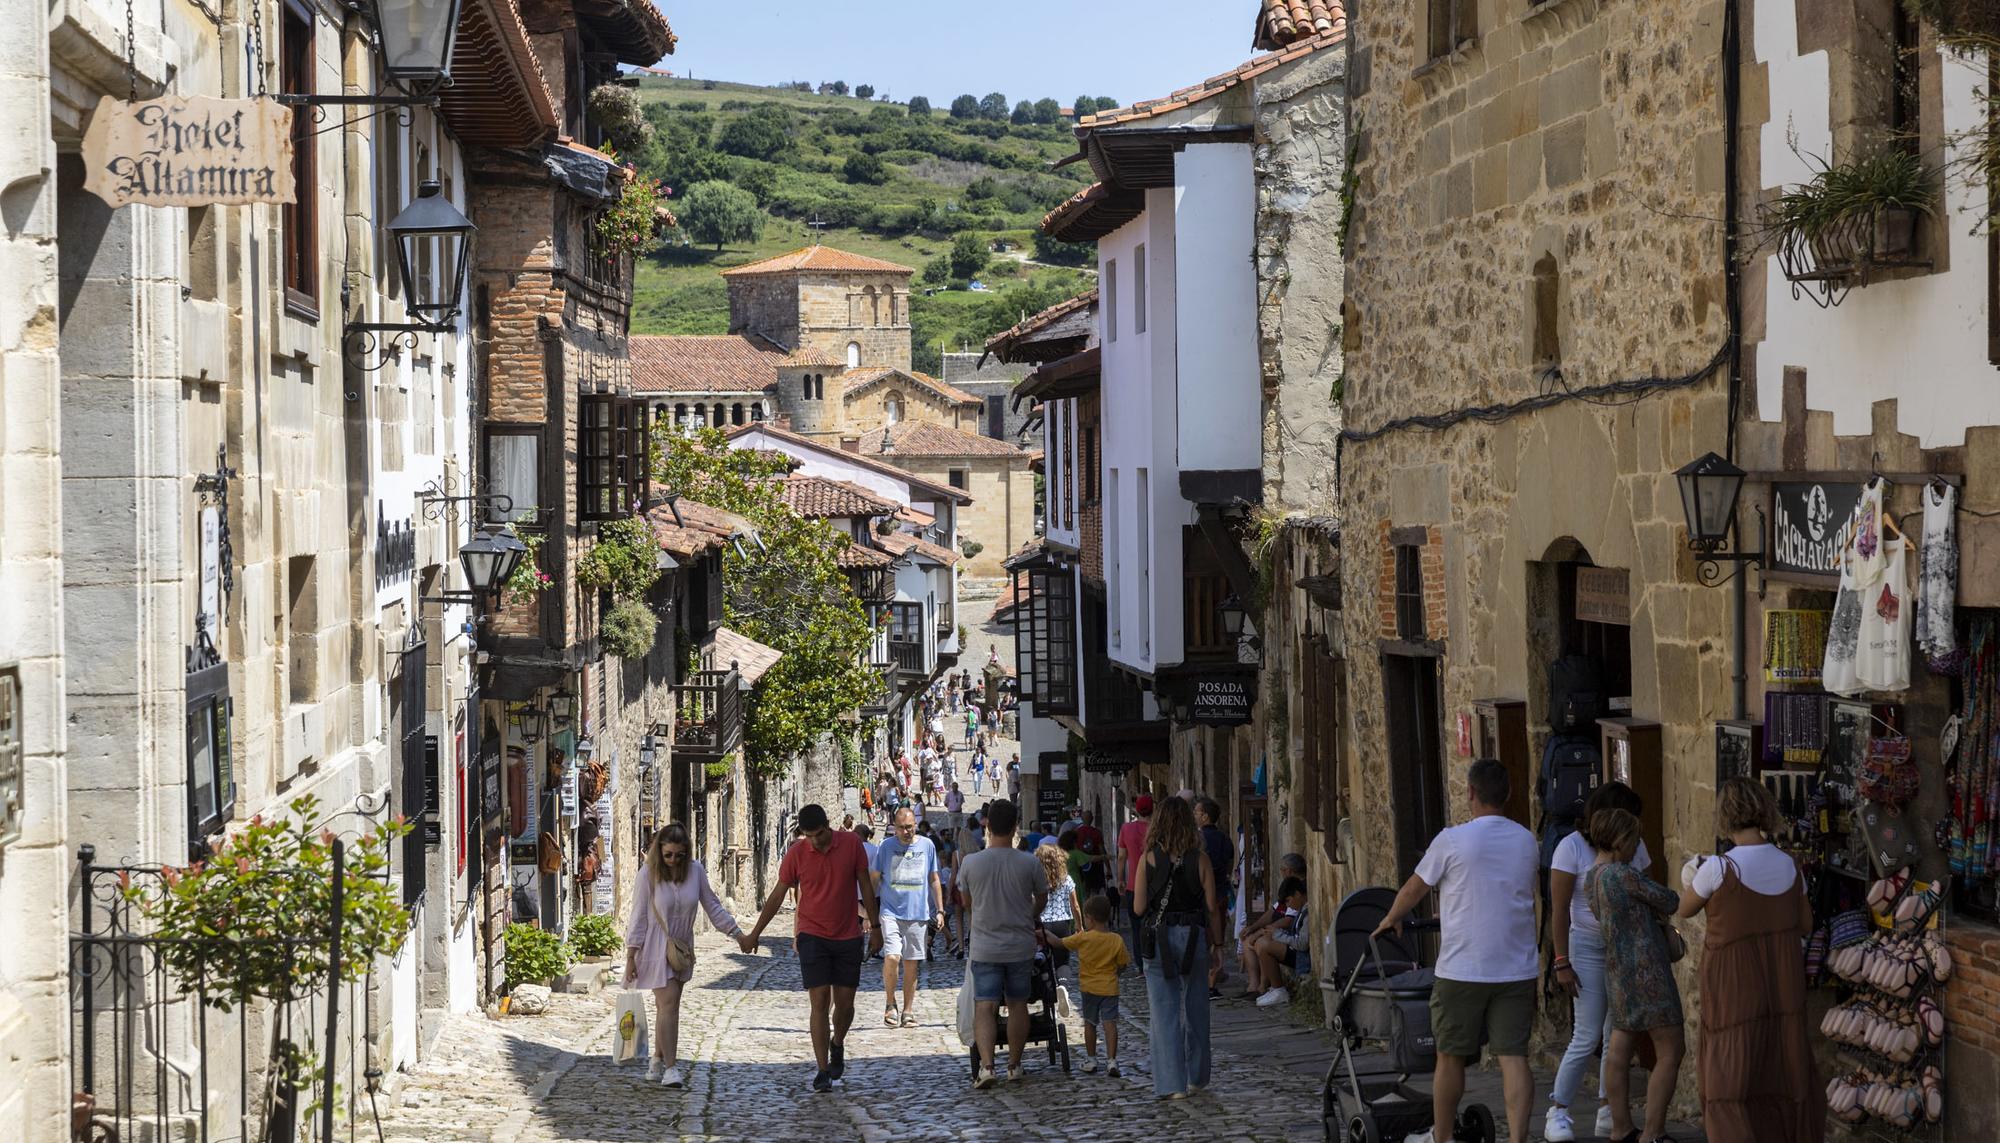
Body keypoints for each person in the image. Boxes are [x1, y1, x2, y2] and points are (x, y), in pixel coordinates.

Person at [1373, 759, 1538, 1143]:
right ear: (1509, 794)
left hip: (1463, 966)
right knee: (1514, 1057)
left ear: (1470, 793)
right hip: (1515, 966)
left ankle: (1442, 1137)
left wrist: (1392, 917)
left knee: (1448, 1056)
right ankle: (1518, 1139)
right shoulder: (1526, 841)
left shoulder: (1452, 839)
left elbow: (1415, 887)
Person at [1676, 778, 1825, 1143]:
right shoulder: (1790, 866)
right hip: (1782, 985)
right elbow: (1805, 924)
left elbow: (1684, 909)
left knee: (1731, 1075)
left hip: (1734, 985)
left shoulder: (1720, 869)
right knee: (1781, 1068)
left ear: (1725, 817)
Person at [741, 804, 881, 1093]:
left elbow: (865, 885)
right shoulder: (797, 853)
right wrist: (755, 933)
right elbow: (778, 895)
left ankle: (837, 1042)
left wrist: (875, 927)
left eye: (818, 834)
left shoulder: (851, 844)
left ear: (827, 826)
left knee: (845, 1005)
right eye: (808, 836)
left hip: (847, 935)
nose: (814, 841)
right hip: (812, 935)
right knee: (818, 1002)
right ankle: (822, 1070)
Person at [1545, 781, 1651, 1142]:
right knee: (1587, 1033)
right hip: (1588, 946)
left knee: (1615, 1034)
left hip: (1622, 948)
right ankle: (1558, 1109)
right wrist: (1561, 961)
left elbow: (1645, 895)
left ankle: (1608, 1108)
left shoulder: (1635, 846)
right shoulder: (1570, 848)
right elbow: (1558, 910)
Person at [1583, 808, 1685, 1143]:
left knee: (1619, 1047)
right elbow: (1669, 900)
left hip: (1617, 970)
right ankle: (1653, 1132)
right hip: (1648, 969)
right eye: (1634, 839)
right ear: (1619, 839)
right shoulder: (1622, 875)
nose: (1637, 845)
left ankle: (1620, 1126)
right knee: (1670, 1050)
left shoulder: (1591, 877)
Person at [623, 823, 745, 1088]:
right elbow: (639, 916)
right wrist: (631, 955)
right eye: (668, 855)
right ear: (660, 852)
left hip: (681, 949)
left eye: (679, 855)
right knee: (669, 1006)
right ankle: (671, 1069)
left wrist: (737, 934)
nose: (673, 860)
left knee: (666, 1007)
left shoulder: (696, 872)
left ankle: (656, 1060)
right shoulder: (648, 875)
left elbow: (712, 906)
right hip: (655, 948)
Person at [1132, 795, 1224, 1100]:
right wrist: (1219, 945)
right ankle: (1197, 1077)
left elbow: (1138, 907)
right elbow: (1212, 907)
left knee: (1164, 1013)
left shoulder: (1148, 859)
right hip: (1193, 937)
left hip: (1159, 940)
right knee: (1197, 1008)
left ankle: (1173, 1085)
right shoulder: (1201, 859)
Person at [956, 798, 1047, 1088]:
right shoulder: (1029, 862)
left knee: (985, 1006)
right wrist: (1027, 915)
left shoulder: (971, 863)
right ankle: (1014, 1064)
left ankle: (987, 1067)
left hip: (985, 945)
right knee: (1018, 1004)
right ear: (1015, 827)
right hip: (1020, 944)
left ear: (988, 826)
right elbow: (1042, 898)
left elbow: (967, 903)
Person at [873, 808, 944, 1029]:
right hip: (891, 911)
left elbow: (934, 879)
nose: (906, 831)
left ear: (916, 824)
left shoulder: (927, 845)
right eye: (902, 827)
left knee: (912, 965)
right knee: (893, 956)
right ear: (894, 827)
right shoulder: (885, 847)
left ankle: (908, 1010)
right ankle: (889, 1002)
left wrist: (940, 910)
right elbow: (874, 878)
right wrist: (867, 910)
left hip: (918, 913)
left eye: (910, 826)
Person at [1058, 895, 1131, 1076]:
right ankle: (1112, 1061)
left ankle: (1091, 1059)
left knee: (1090, 1024)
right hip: (1110, 988)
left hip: (1089, 989)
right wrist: (1116, 973)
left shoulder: (1084, 938)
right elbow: (1123, 964)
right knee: (1110, 1024)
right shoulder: (1116, 940)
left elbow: (1060, 943)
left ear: (1089, 917)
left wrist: (1043, 934)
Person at [1241, 876, 1309, 1006]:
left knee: (1264, 945)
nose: (1288, 905)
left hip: (1301, 957)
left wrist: (1277, 934)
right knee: (1262, 943)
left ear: (1298, 894)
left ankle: (1278, 989)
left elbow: (1302, 944)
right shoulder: (1301, 910)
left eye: (1289, 901)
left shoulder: (1307, 912)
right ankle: (1272, 987)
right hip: (1295, 949)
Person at [1036, 841, 1082, 970]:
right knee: (1062, 962)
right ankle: (1063, 985)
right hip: (1062, 924)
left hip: (1042, 924)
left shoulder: (1035, 879)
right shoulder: (1065, 878)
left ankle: (1047, 986)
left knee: (1043, 960)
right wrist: (1079, 925)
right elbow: (1075, 905)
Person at [1119, 795, 1154, 937]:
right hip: (1155, 885)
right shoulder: (1157, 829)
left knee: (1137, 930)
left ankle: (1140, 959)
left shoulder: (1126, 829)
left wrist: (1120, 879)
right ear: (1153, 809)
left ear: (1136, 810)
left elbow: (1122, 856)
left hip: (1133, 886)